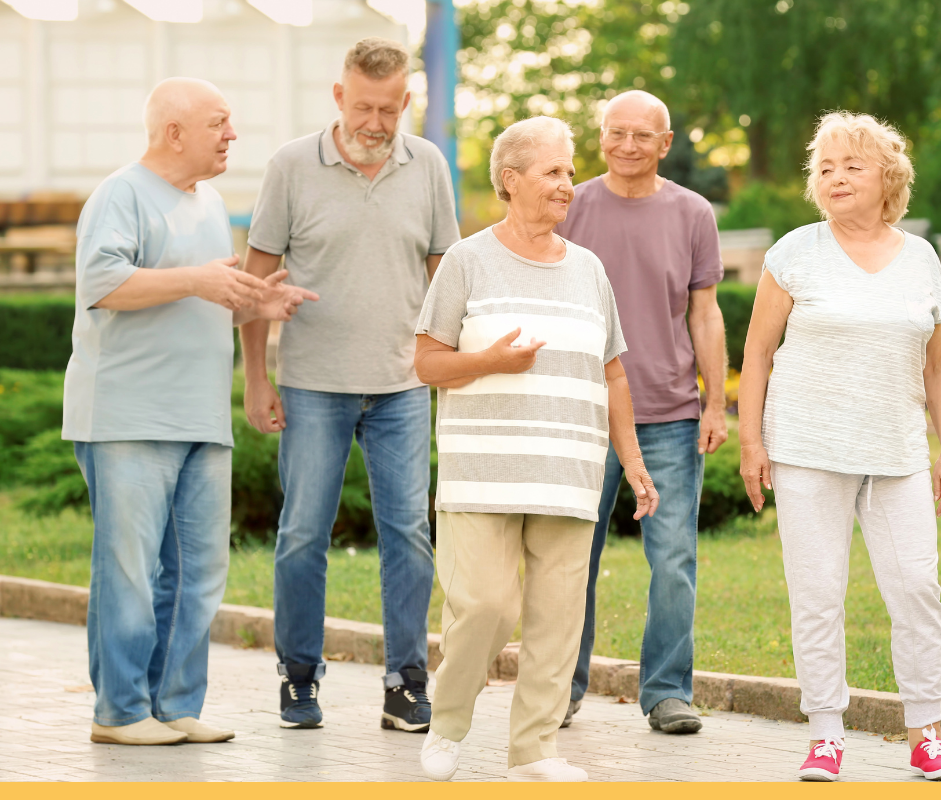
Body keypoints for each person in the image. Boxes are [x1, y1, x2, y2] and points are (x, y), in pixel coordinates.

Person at [64, 78, 317, 746]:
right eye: (220, 122)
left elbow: (201, 294)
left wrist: (253, 304)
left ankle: (174, 705)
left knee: (199, 573)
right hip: (127, 417)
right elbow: (102, 283)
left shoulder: (209, 202)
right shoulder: (121, 193)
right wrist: (197, 280)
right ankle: (118, 713)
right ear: (175, 132)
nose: (233, 134)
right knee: (130, 572)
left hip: (201, 418)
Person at [411, 116, 659, 782]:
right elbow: (427, 364)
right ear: (510, 180)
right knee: (487, 606)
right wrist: (489, 360)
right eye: (554, 171)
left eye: (570, 173)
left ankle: (535, 752)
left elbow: (612, 372)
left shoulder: (588, 270)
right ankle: (448, 719)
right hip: (482, 475)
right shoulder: (467, 260)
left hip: (569, 473)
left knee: (556, 622)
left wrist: (631, 461)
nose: (568, 185)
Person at [738, 111, 941, 781]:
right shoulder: (794, 253)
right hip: (808, 448)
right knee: (817, 593)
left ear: (888, 178)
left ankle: (926, 731)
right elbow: (756, 353)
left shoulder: (920, 257)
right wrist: (752, 441)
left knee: (918, 587)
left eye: (852, 166)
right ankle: (827, 735)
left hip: (897, 452)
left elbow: (939, 365)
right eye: (826, 168)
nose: (835, 177)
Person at [240, 38, 459, 732]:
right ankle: (298, 678)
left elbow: (445, 277)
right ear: (339, 98)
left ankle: (405, 682)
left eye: (389, 109)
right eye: (364, 106)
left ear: (405, 102)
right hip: (313, 385)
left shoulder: (427, 165)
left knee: (409, 535)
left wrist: (452, 367)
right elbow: (255, 284)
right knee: (303, 534)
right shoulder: (290, 167)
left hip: (400, 386)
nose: (376, 122)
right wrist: (255, 379)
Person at [554, 90, 727, 734]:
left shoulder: (692, 212)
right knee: (574, 557)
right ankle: (563, 686)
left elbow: (704, 313)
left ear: (665, 142)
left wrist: (717, 400)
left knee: (675, 557)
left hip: (670, 415)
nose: (627, 145)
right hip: (583, 415)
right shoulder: (569, 206)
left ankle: (666, 692)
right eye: (615, 133)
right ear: (600, 138)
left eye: (641, 135)